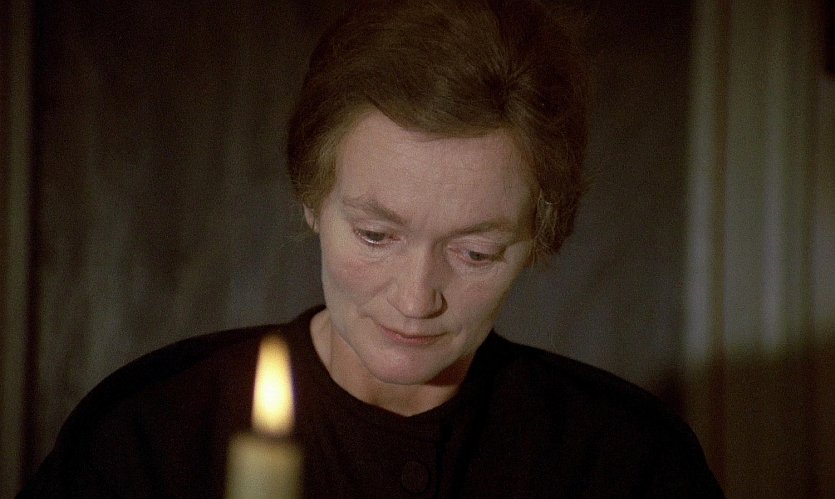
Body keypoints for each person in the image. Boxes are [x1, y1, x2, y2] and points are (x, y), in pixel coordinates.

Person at [18, 0, 725, 497]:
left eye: (477, 252)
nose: (416, 300)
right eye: (376, 235)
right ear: (311, 197)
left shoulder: (628, 460)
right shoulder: (149, 435)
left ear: (539, 237)